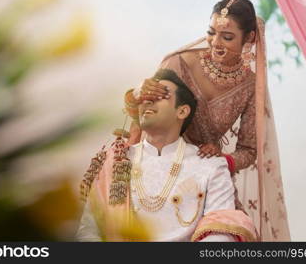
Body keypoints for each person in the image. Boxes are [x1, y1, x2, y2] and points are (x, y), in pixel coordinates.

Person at [123, 0, 290, 241]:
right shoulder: (179, 62)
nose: (216, 43)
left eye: (228, 37)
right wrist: (135, 95)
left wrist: (221, 159)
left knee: (228, 233)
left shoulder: (250, 85)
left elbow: (248, 149)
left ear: (250, 38)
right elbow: (145, 111)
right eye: (211, 33)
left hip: (203, 174)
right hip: (159, 164)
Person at [76, 69, 257, 242]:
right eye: (145, 96)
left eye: (160, 95)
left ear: (182, 111)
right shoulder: (115, 161)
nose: (147, 101)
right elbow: (89, 230)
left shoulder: (211, 166)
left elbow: (220, 233)